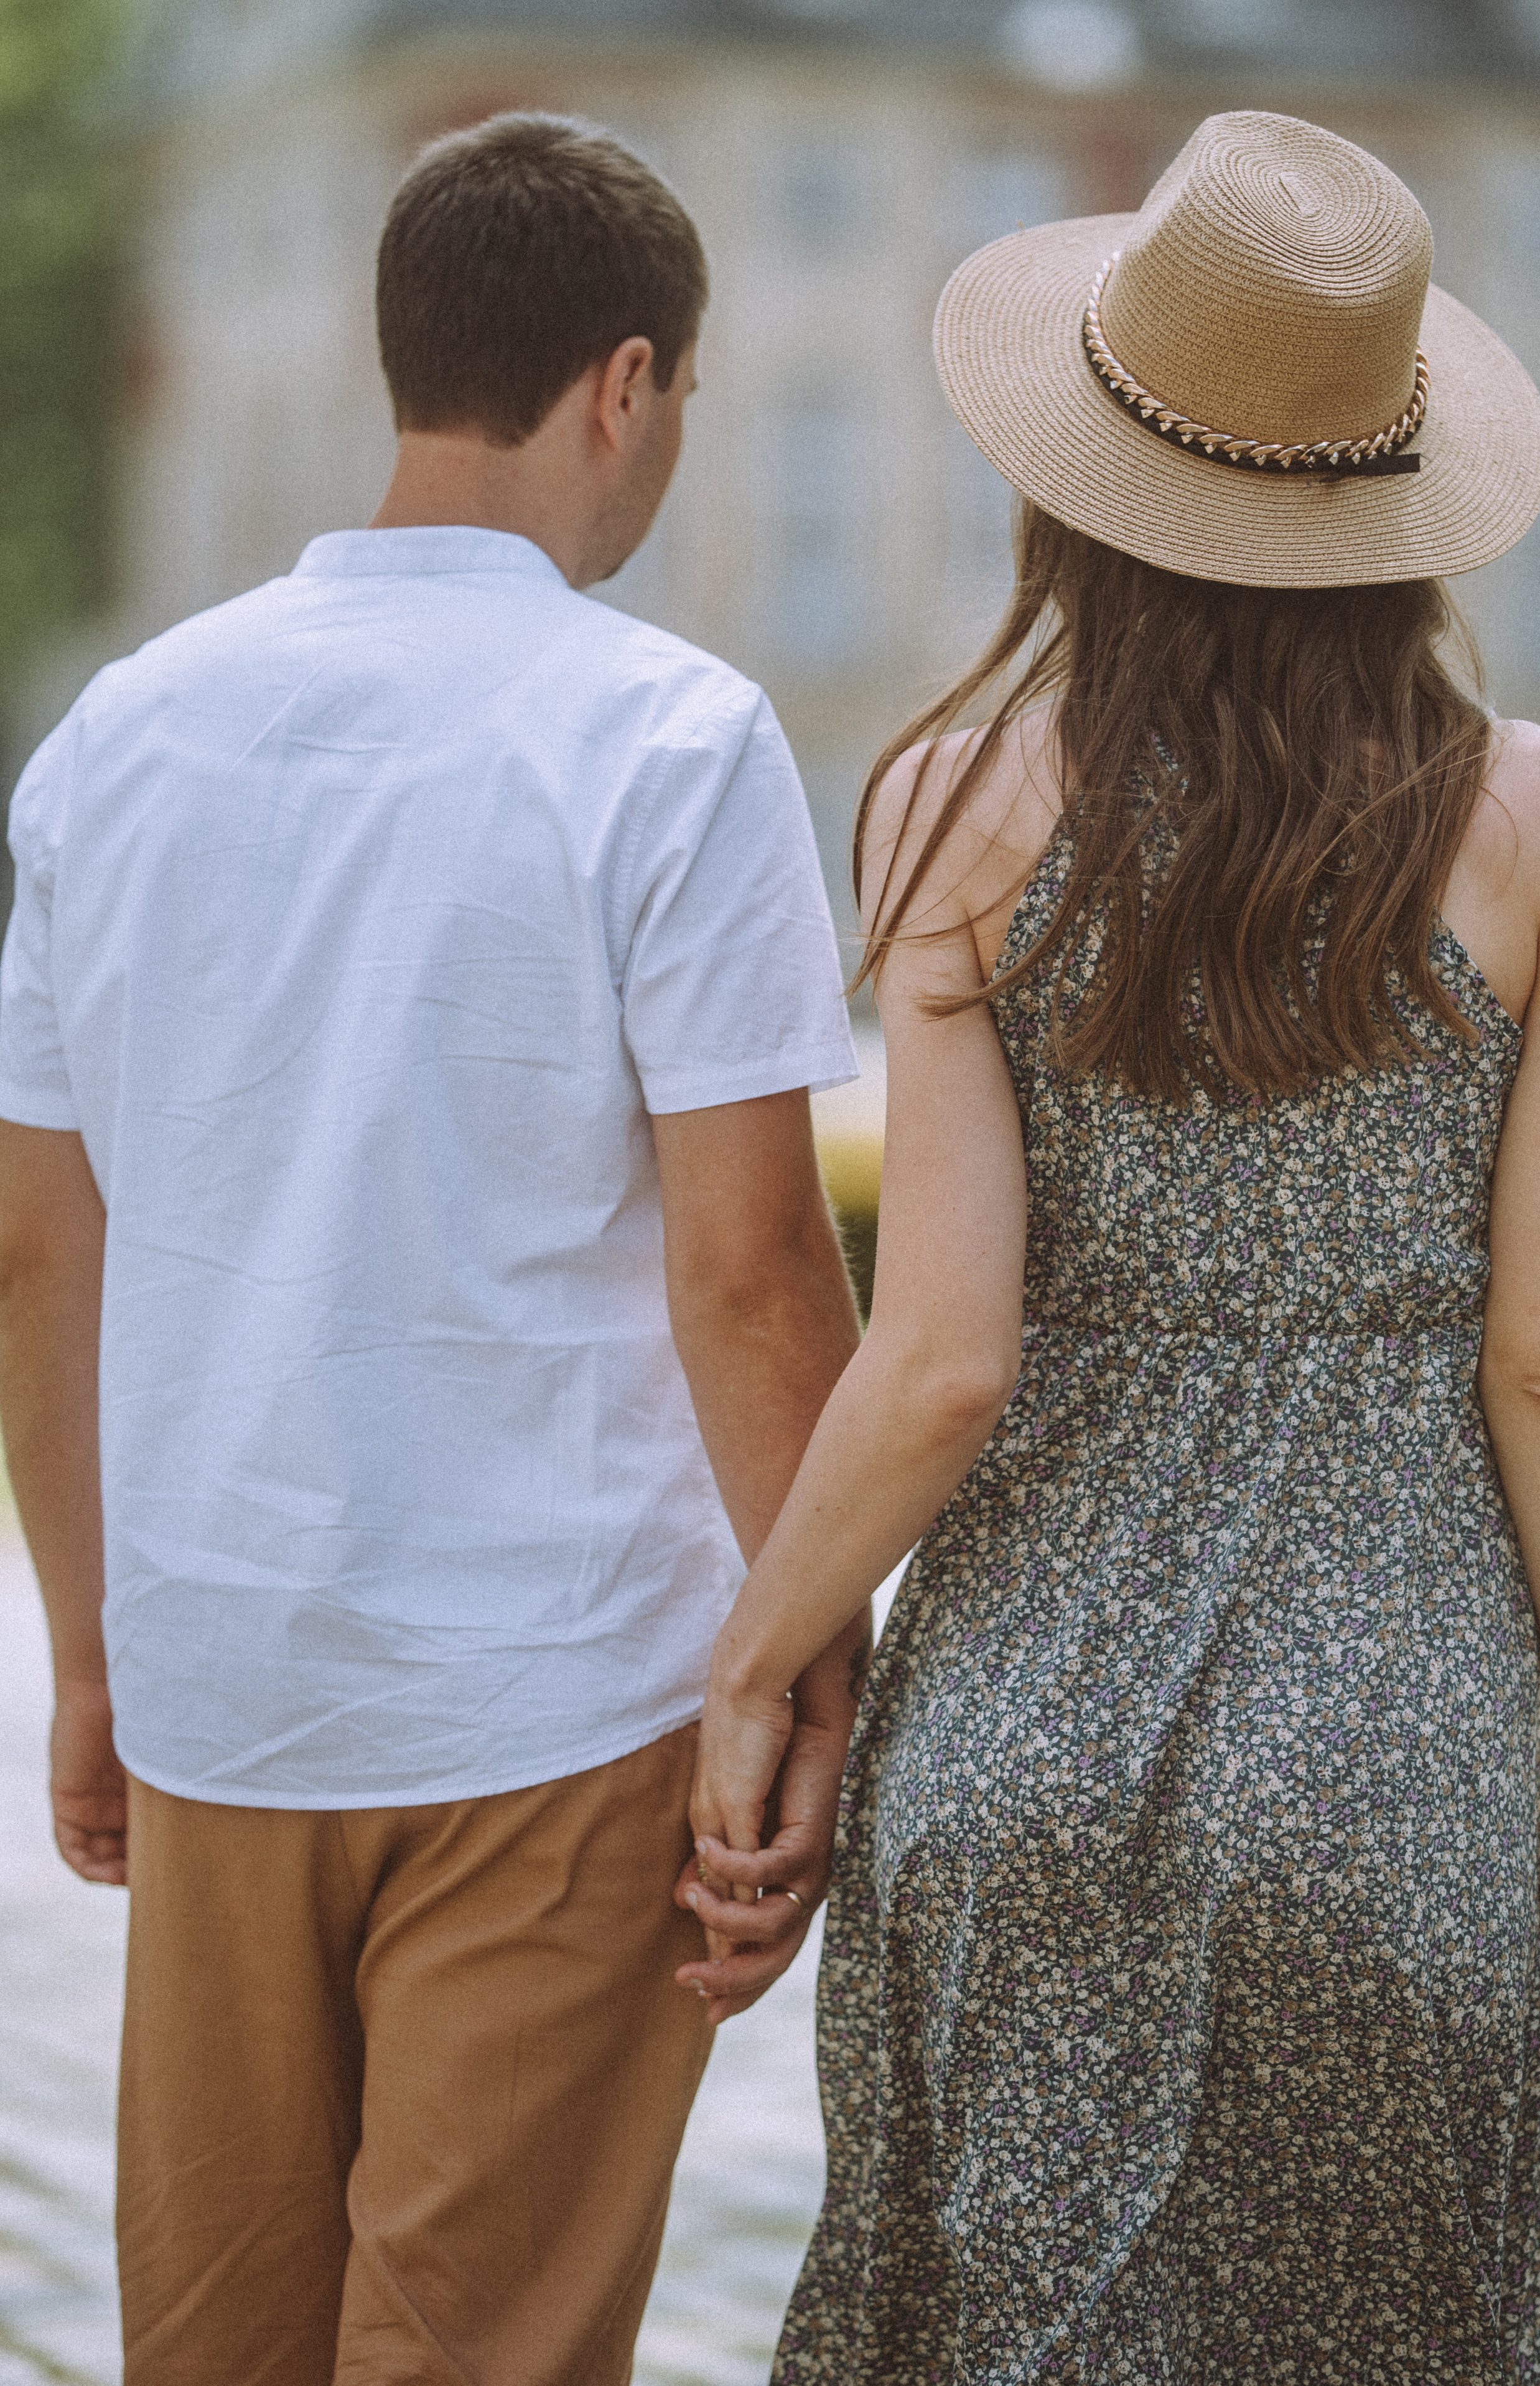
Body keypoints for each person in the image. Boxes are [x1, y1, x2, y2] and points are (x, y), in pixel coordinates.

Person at [683, 110, 1540, 2379]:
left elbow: (945, 1364)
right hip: (1403, 1768)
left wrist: (755, 1658)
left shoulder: (953, 800)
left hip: (1026, 1746)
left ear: (1080, 472)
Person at [0, 111, 868, 2386]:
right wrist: (811, 1647)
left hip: (221, 1681)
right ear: (628, 384)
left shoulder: (115, 742)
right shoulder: (672, 738)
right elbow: (758, 1271)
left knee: (215, 2349)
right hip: (557, 1696)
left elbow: (33, 1246)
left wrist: (90, 1654)